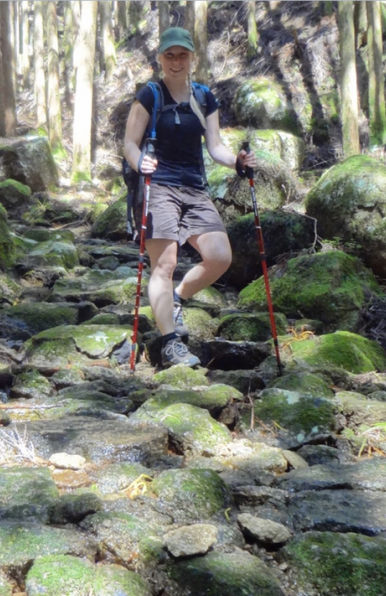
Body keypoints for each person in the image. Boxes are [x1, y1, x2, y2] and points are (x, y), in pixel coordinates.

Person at [123, 27, 256, 368]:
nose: (176, 61)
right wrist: (142, 163)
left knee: (219, 256)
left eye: (182, 55)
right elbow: (129, 145)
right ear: (160, 59)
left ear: (192, 58)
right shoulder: (150, 95)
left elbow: (215, 147)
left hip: (195, 187)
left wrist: (237, 163)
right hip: (159, 186)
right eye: (170, 55)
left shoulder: (204, 97)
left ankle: (178, 298)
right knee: (164, 265)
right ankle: (170, 344)